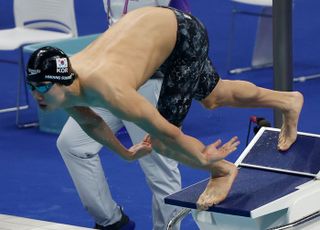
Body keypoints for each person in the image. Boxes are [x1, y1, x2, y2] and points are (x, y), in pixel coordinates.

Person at [26, 5, 303, 221]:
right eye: (33, 86)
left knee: (160, 144)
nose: (37, 94)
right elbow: (90, 120)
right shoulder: (66, 87)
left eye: (43, 86)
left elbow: (168, 131)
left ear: (63, 81)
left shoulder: (111, 91)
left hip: (181, 37)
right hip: (156, 28)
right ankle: (288, 101)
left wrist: (203, 156)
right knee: (214, 96)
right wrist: (125, 153)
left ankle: (222, 172)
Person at [56, 1, 190, 230]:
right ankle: (112, 222)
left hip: (148, 81)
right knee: (72, 144)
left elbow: (184, 26)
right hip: (108, 78)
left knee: (159, 165)